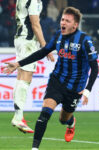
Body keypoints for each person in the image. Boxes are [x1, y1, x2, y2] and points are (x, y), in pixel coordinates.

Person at [3, 7, 98, 150]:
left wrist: (87, 90)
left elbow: (95, 68)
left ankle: (71, 123)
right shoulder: (59, 36)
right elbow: (42, 52)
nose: (63, 23)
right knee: (44, 115)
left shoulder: (85, 41)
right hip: (57, 82)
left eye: (67, 21)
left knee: (63, 119)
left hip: (75, 88)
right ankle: (34, 148)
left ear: (75, 25)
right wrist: (18, 64)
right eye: (62, 19)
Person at [11, 0, 54, 134]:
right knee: (25, 77)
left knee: (21, 77)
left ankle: (18, 116)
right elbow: (35, 24)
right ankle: (18, 117)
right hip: (28, 41)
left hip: (20, 38)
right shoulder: (33, 0)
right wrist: (45, 46)